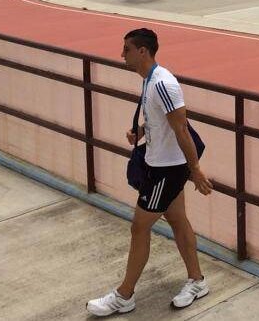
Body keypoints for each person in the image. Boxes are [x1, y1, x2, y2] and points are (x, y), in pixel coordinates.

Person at [87, 28, 214, 317]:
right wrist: (141, 131)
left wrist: (194, 169)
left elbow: (181, 127)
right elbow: (164, 120)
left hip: (166, 170)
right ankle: (197, 281)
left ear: (142, 51)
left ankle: (124, 296)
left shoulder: (162, 83)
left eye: (126, 49)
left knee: (139, 226)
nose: (122, 54)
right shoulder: (149, 81)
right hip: (161, 164)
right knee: (178, 219)